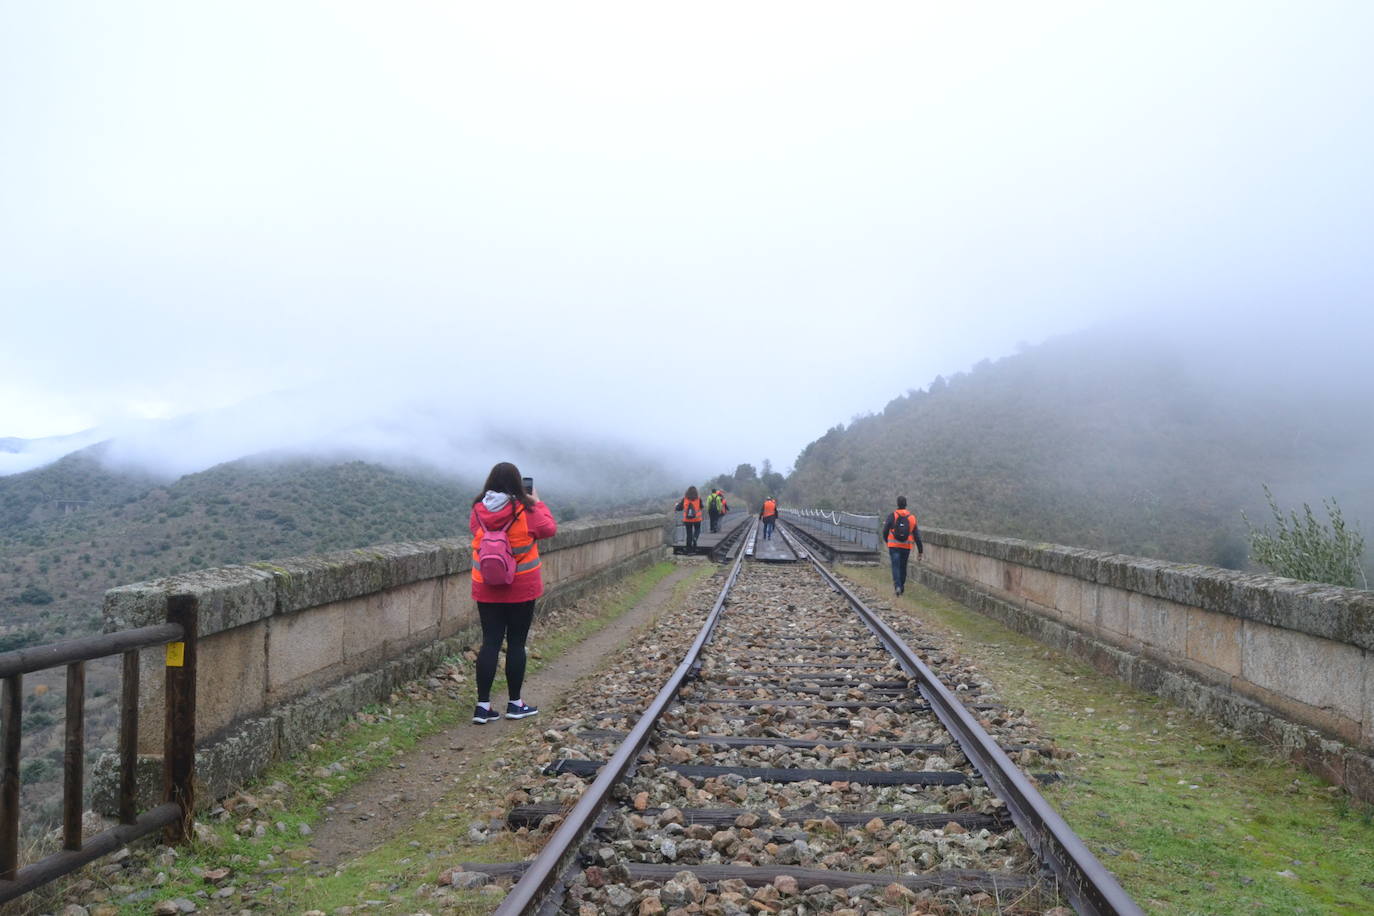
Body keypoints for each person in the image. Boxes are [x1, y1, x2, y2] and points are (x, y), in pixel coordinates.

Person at [469, 462, 557, 724]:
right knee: (516, 644)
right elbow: (549, 530)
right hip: (521, 588)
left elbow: (477, 534)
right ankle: (515, 704)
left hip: (486, 586)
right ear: (519, 484)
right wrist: (537, 502)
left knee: (490, 642)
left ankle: (482, 707)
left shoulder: (478, 509)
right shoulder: (526, 509)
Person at [882, 495, 924, 596]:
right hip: (906, 547)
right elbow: (917, 536)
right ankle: (901, 586)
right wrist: (920, 551)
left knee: (895, 566)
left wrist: (887, 541)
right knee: (903, 566)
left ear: (897, 504)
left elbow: (885, 530)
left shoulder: (892, 515)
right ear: (906, 504)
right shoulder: (912, 518)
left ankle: (897, 586)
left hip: (894, 546)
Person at [675, 486, 703, 551]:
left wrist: (676, 506)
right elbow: (701, 507)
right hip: (697, 519)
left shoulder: (685, 499)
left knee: (689, 533)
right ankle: (695, 538)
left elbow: (679, 508)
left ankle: (689, 549)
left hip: (687, 519)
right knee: (697, 530)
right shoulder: (699, 499)